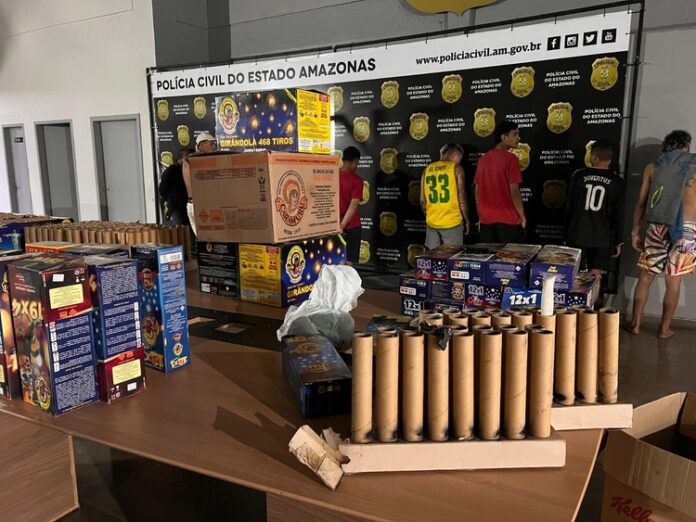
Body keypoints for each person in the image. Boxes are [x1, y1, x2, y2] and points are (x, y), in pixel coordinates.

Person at [629, 130, 696, 338]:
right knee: (673, 280)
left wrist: (634, 231)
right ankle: (664, 329)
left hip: (656, 226)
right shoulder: (694, 165)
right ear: (686, 145)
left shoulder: (653, 167)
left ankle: (636, 324)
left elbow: (641, 202)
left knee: (646, 276)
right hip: (685, 229)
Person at [565, 139, 626, 280]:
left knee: (574, 274)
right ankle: (594, 295)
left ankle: (574, 294)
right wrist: (617, 241)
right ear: (610, 159)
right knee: (596, 275)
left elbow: (569, 207)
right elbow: (619, 215)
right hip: (602, 237)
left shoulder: (579, 176)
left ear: (593, 157)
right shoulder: (618, 182)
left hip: (578, 234)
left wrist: (566, 234)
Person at [473, 120, 526, 243]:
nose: (519, 138)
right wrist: (522, 216)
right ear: (503, 137)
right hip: (509, 221)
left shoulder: (483, 160)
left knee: (490, 256)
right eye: (515, 134)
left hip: (486, 222)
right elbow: (514, 192)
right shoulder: (511, 159)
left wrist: (481, 215)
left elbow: (477, 190)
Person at [420, 142, 470, 249]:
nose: (460, 161)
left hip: (432, 224)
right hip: (452, 222)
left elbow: (422, 201)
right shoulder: (457, 169)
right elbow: (461, 198)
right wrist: (467, 220)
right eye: (460, 158)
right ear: (455, 154)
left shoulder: (427, 169)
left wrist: (430, 217)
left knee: (432, 256)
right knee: (451, 256)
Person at [183, 131, 217, 235]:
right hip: (195, 204)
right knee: (204, 237)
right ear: (201, 146)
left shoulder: (197, 160)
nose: (214, 147)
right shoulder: (191, 160)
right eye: (211, 144)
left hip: (202, 203)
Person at [338, 146, 363, 264]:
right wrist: (342, 226)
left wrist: (339, 226)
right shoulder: (357, 180)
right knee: (349, 263)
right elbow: (353, 206)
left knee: (336, 261)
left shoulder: (332, 175)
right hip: (352, 226)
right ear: (355, 161)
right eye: (357, 163)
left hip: (334, 226)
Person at [158, 148, 193, 225]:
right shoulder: (172, 170)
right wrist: (172, 200)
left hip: (190, 206)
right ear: (180, 159)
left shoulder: (192, 171)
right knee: (179, 229)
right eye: (187, 158)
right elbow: (163, 189)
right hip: (178, 208)